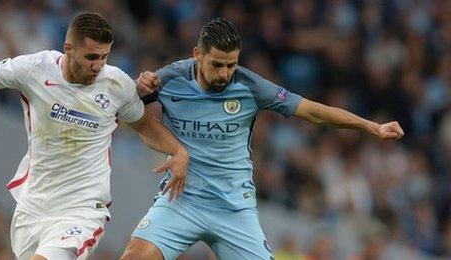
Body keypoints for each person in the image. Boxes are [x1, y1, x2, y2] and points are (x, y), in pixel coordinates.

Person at [0, 12, 189, 260]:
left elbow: (145, 126)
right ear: (68, 48)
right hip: (33, 206)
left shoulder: (116, 84)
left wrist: (178, 152)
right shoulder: (35, 69)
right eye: (90, 57)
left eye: (104, 57)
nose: (97, 65)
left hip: (81, 209)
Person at [121, 18, 404, 260]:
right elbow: (127, 106)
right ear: (197, 54)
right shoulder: (169, 79)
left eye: (231, 65)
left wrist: (372, 127)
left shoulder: (251, 86)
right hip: (180, 200)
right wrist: (138, 86)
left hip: (234, 207)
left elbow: (314, 112)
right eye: (217, 64)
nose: (224, 74)